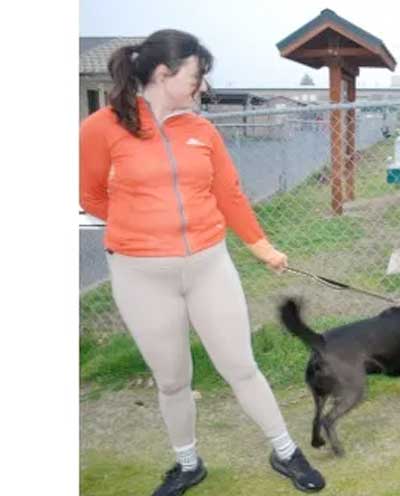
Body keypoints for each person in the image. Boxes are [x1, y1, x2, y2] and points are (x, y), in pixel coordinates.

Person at [79, 29, 325, 495]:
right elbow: (89, 194)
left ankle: (286, 450)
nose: (204, 87)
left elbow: (227, 194)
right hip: (140, 276)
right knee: (172, 379)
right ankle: (188, 464)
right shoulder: (100, 128)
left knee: (241, 366)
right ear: (163, 74)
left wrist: (261, 247)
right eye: (198, 77)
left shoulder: (202, 130)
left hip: (209, 266)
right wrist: (144, 230)